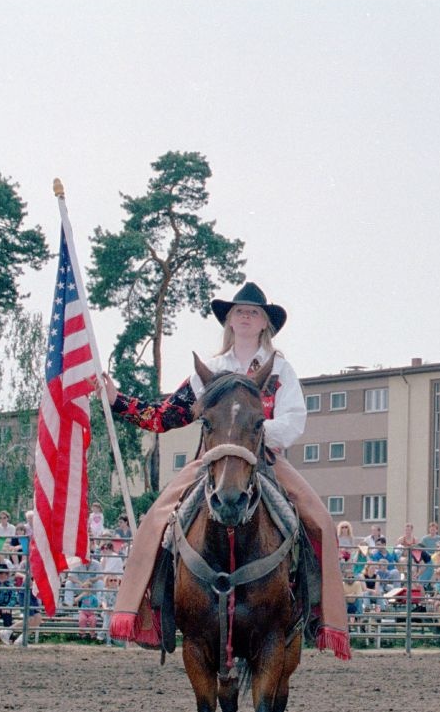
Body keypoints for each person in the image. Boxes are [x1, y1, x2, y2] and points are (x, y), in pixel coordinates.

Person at [98, 281, 349, 659]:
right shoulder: (210, 372)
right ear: (229, 320)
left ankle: (317, 614)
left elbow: (294, 419)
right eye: (239, 311)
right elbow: (167, 416)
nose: (246, 316)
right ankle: (150, 611)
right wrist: (118, 401)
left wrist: (256, 435)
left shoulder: (279, 369)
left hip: (264, 457)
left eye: (254, 312)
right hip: (211, 461)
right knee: (156, 521)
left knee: (320, 521)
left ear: (265, 322)